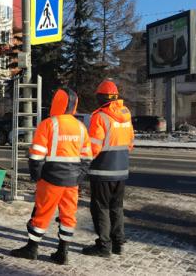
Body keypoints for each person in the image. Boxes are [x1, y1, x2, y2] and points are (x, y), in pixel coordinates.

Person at [10, 88, 92, 265]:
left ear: (57, 103)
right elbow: (87, 157)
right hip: (72, 180)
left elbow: (36, 155)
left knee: (42, 213)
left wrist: (37, 176)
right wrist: (79, 178)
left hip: (51, 178)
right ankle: (63, 251)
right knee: (68, 216)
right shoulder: (80, 127)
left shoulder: (48, 124)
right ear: (74, 105)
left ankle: (32, 248)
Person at [82, 79, 134, 257]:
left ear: (101, 97)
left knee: (100, 208)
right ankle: (118, 244)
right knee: (116, 207)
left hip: (102, 171)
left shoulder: (99, 116)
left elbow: (94, 147)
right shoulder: (126, 115)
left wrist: (83, 162)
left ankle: (104, 246)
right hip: (121, 170)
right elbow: (130, 143)